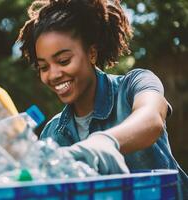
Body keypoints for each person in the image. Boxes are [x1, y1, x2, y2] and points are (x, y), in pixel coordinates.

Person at [17, 0, 188, 197]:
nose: (53, 74)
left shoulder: (134, 85)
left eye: (63, 61)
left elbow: (152, 118)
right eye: (44, 67)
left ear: (91, 53)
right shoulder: (53, 134)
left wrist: (106, 141)